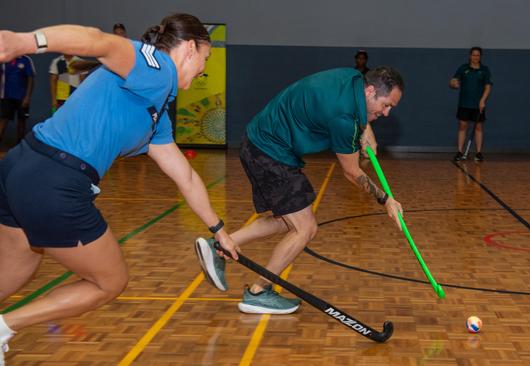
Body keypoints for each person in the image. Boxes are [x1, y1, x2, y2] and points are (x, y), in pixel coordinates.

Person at [0, 13, 238, 364]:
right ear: (190, 48)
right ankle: (4, 328)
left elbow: (184, 176)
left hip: (20, 167)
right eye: (206, 57)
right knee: (108, 282)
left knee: (19, 266)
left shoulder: (155, 112)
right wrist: (25, 42)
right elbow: (98, 41)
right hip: (55, 180)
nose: (204, 68)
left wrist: (219, 230)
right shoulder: (156, 69)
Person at [195, 66, 404, 314]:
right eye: (386, 105)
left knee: (288, 221)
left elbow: (356, 110)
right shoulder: (344, 118)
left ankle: (220, 246)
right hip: (269, 152)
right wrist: (386, 199)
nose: (387, 113)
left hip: (261, 142)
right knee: (305, 228)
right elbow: (352, 172)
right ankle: (259, 292)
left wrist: (366, 127)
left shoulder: (353, 77)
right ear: (370, 91)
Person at [449, 47, 493, 162]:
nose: (475, 57)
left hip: (478, 105)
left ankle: (478, 153)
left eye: (478, 55)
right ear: (470, 56)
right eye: (473, 55)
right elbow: (453, 81)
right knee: (463, 126)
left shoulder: (484, 70)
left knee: (478, 127)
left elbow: (488, 87)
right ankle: (459, 151)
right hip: (464, 103)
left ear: (480, 57)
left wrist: (483, 100)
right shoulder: (463, 68)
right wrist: (453, 83)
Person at [0, 55, 35, 145]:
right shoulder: (4, 59)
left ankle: (19, 145)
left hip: (21, 97)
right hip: (6, 95)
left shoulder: (26, 60)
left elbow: (30, 79)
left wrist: (27, 97)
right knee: (4, 119)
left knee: (21, 120)